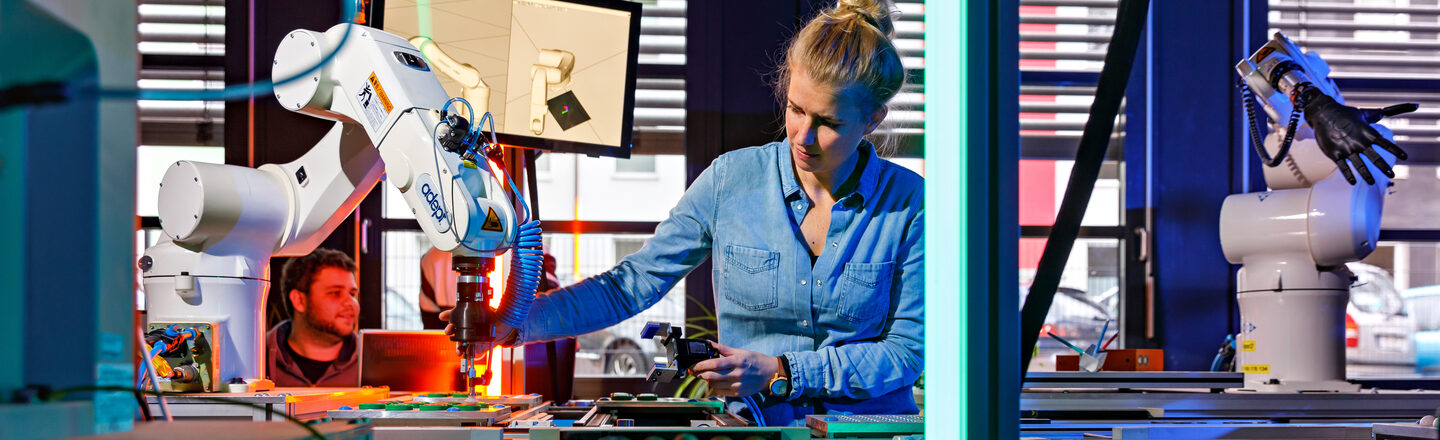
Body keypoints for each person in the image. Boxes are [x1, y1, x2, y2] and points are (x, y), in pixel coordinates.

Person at [445, 0, 921, 426]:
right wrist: (516, 322)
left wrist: (781, 371)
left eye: (829, 123)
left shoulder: (911, 205)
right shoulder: (730, 181)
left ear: (872, 119)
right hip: (755, 426)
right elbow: (631, 284)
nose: (802, 135)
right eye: (796, 109)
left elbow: (908, 352)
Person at [266, 248, 361, 387]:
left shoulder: (375, 364)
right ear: (299, 300)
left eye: (352, 294)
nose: (351, 304)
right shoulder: (256, 361)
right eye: (335, 293)